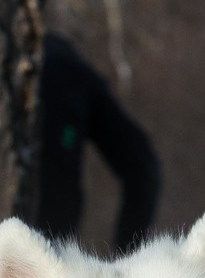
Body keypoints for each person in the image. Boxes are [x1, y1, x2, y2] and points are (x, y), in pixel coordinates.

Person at [34, 33, 162, 253]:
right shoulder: (67, 67)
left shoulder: (66, 70)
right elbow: (144, 167)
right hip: (49, 252)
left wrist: (127, 255)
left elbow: (143, 167)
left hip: (46, 250)